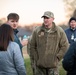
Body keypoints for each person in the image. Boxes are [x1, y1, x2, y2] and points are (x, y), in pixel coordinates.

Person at [30, 11, 69, 75]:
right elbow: (32, 45)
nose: (45, 20)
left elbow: (65, 45)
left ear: (53, 19)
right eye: (44, 18)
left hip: (53, 67)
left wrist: (57, 57)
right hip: (40, 67)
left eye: (47, 18)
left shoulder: (59, 31)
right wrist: (36, 58)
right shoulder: (37, 30)